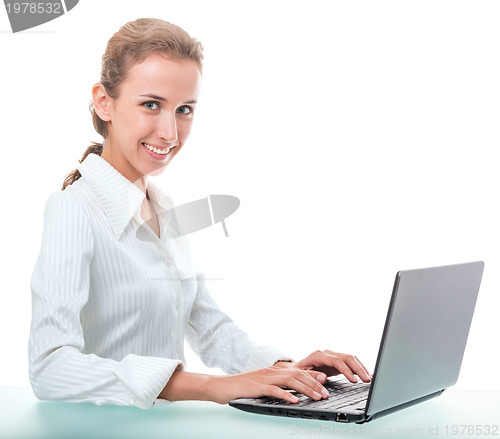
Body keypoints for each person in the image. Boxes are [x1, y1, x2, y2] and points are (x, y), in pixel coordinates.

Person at [28, 17, 371, 409]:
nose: (170, 133)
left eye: (184, 109)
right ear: (105, 102)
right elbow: (49, 367)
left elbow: (208, 326)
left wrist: (284, 369)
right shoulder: (73, 210)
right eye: (151, 105)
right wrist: (209, 387)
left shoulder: (162, 207)